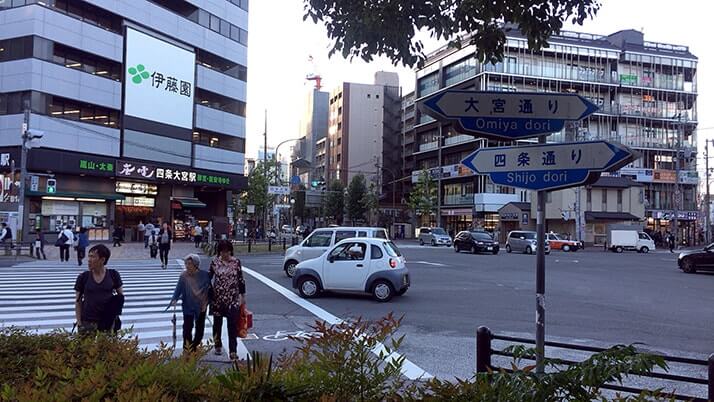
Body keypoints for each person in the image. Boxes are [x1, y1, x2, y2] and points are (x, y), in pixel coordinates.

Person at [74, 244, 124, 334]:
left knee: (106, 347)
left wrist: (114, 316)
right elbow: (78, 301)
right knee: (86, 348)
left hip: (107, 322)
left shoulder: (113, 275)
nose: (89, 260)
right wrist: (79, 323)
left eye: (93, 257)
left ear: (102, 260)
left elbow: (120, 297)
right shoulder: (83, 277)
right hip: (87, 322)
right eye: (89, 256)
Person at [209, 239, 246, 361]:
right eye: (222, 251)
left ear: (230, 251)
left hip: (232, 297)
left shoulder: (236, 262)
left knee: (232, 324)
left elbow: (240, 279)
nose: (224, 254)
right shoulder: (214, 262)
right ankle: (217, 344)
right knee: (217, 323)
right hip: (218, 297)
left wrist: (242, 296)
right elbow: (209, 278)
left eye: (227, 251)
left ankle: (233, 351)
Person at [170, 254, 211, 352]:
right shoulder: (184, 276)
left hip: (201, 305)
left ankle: (194, 345)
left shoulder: (204, 275)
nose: (187, 266)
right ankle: (186, 349)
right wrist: (174, 299)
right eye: (186, 263)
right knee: (187, 328)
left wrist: (206, 303)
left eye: (190, 264)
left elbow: (208, 291)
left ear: (196, 265)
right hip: (188, 304)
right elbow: (178, 288)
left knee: (199, 329)